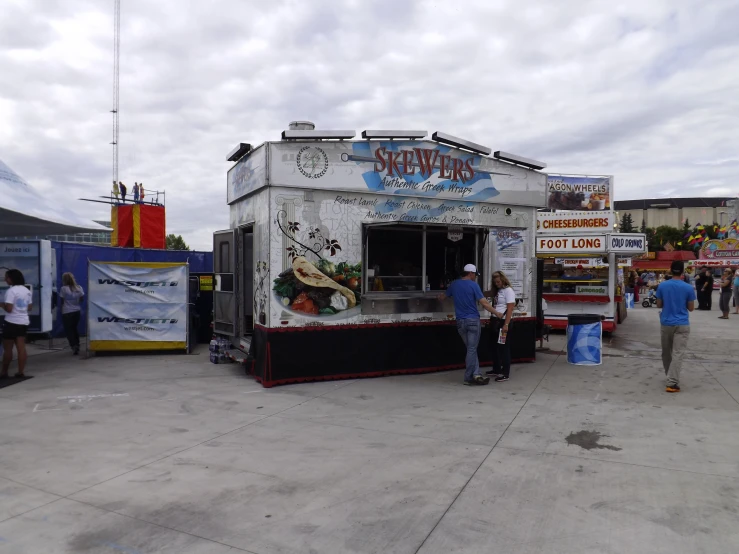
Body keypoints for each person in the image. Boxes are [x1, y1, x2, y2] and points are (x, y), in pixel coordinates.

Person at [438, 264, 496, 386]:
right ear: (470, 273)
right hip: (473, 321)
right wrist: (497, 313)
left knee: (471, 349)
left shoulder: (454, 284)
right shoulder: (474, 285)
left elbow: (442, 297)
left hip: (460, 322)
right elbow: (484, 303)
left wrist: (439, 296)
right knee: (471, 349)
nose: (475, 277)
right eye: (475, 275)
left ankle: (477, 374)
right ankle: (469, 377)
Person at [656, 260, 696, 393]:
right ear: (683, 272)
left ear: (670, 270)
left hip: (666, 322)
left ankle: (670, 377)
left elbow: (659, 305)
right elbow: (691, 308)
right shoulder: (688, 288)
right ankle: (672, 382)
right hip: (682, 324)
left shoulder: (662, 286)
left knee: (666, 352)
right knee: (678, 353)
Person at [485, 271, 516, 382]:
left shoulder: (508, 291)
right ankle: (496, 368)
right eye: (495, 282)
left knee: (503, 347)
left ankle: (505, 373)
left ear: (503, 280)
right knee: (494, 346)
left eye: (498, 281)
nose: (497, 283)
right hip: (495, 321)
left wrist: (506, 324)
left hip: (503, 322)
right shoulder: (498, 291)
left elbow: (510, 308)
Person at [1, 269, 33, 379]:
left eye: (7, 277)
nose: (5, 279)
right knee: (21, 348)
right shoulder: (26, 290)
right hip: (23, 322)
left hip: (11, 322)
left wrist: (1, 305)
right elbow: (29, 307)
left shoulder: (11, 291)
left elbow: (9, 309)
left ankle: (4, 372)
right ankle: (20, 372)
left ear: (12, 278)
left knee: (8, 349)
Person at [60, 272, 84, 354]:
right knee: (74, 328)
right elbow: (81, 299)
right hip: (77, 310)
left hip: (67, 311)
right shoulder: (79, 288)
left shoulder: (63, 289)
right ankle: (77, 344)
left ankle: (73, 346)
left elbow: (62, 301)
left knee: (69, 330)